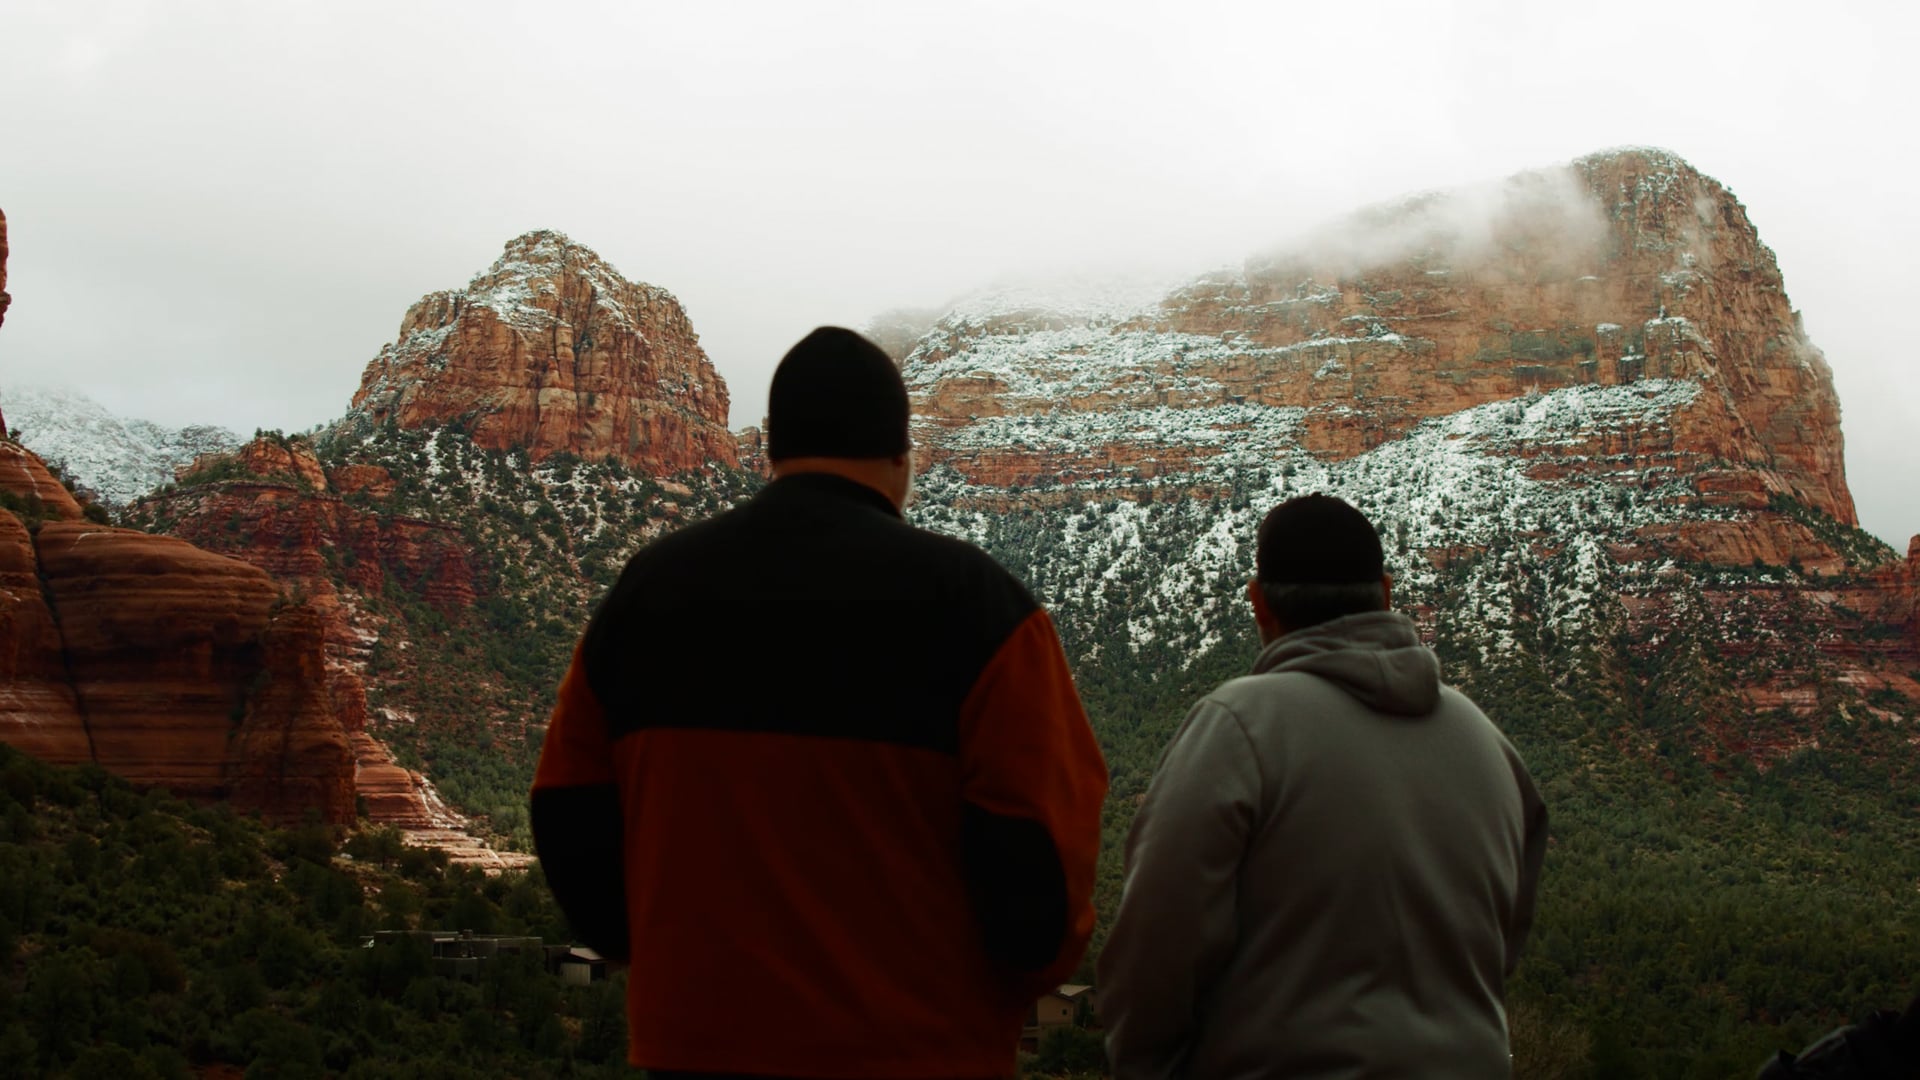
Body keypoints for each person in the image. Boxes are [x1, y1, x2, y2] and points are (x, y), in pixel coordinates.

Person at [530, 326, 1108, 1079]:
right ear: (903, 458)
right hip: (922, 1051)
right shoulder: (983, 609)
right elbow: (1043, 857)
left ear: (773, 449)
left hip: (697, 1047)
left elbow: (565, 809)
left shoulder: (647, 595)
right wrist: (1006, 984)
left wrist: (660, 957)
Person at [1097, 493, 1547, 1079]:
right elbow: (1506, 940)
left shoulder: (1240, 725)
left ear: (1259, 603)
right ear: (1385, 593)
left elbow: (1157, 945)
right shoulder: (1486, 739)